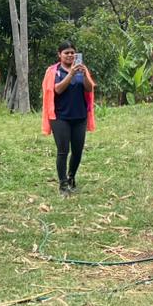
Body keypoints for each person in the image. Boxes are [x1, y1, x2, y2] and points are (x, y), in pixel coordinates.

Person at [40, 41, 95, 196]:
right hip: (60, 117)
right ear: (59, 55)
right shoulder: (53, 71)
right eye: (66, 53)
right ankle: (63, 184)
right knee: (63, 151)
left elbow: (89, 88)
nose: (70, 55)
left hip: (80, 116)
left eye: (72, 52)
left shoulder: (82, 69)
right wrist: (71, 74)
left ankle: (71, 178)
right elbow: (57, 90)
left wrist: (84, 75)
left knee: (77, 151)